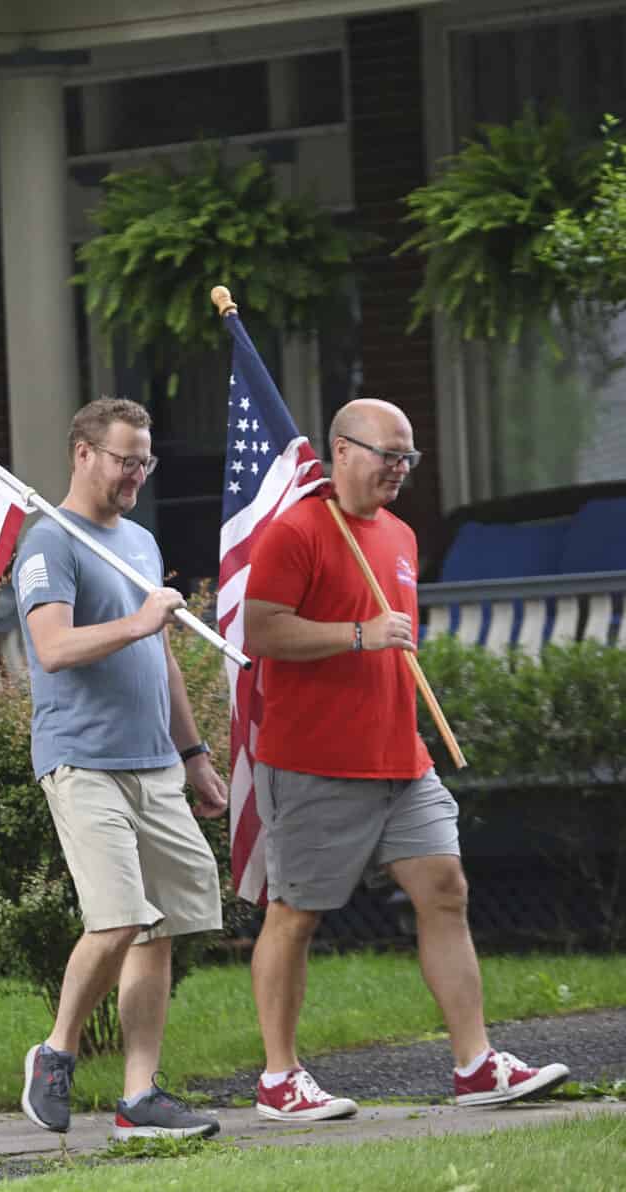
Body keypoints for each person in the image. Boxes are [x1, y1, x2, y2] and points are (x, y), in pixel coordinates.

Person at [243, 398, 569, 1120]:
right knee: (295, 914)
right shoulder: (295, 530)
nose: (398, 468)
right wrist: (356, 635)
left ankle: (475, 1063)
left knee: (444, 887)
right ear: (340, 451)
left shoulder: (398, 534)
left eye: (407, 456)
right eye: (388, 453)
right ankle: (277, 1077)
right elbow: (260, 630)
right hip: (313, 760)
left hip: (399, 755)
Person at [16, 398, 229, 1141]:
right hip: (83, 761)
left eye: (145, 460)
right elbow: (51, 646)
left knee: (160, 925)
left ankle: (139, 1096)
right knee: (116, 917)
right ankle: (55, 1050)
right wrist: (139, 620)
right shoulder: (50, 541)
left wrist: (194, 753)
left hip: (153, 764)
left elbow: (158, 655)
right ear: (83, 453)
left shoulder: (136, 541)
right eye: (124, 459)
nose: (137, 472)